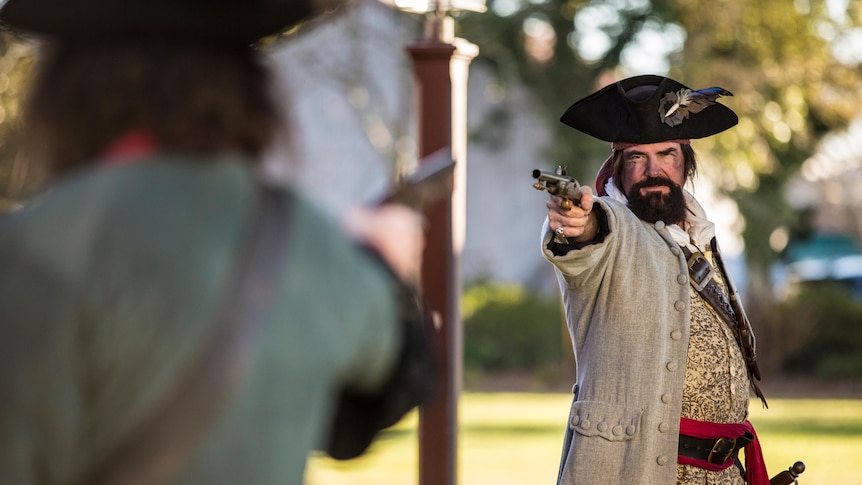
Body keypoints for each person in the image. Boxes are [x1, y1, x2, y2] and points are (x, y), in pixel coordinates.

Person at [0, 0, 435, 484]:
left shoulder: (32, 248)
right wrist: (381, 261)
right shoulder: (310, 244)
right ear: (245, 87)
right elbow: (380, 397)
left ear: (67, 90)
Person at [541, 75, 771, 485]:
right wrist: (574, 221)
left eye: (666, 154)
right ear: (618, 166)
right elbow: (592, 230)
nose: (653, 171)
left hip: (722, 473)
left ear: (686, 161)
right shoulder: (616, 225)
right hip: (641, 471)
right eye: (636, 158)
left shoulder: (699, 234)